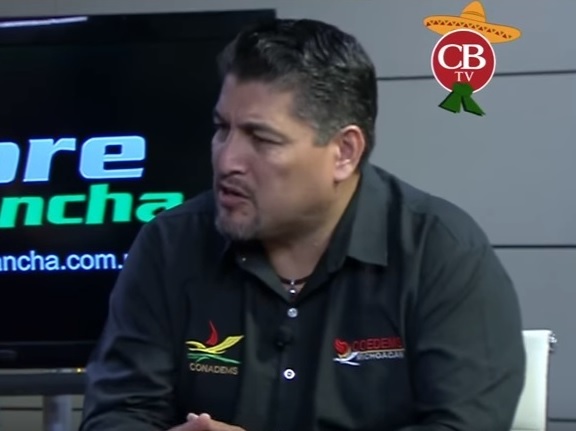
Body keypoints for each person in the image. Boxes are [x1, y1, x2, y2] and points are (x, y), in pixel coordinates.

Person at [79, 18, 526, 431]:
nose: (227, 159)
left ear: (344, 152)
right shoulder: (170, 245)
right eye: (222, 129)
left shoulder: (442, 253)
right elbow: (116, 414)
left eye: (261, 138)